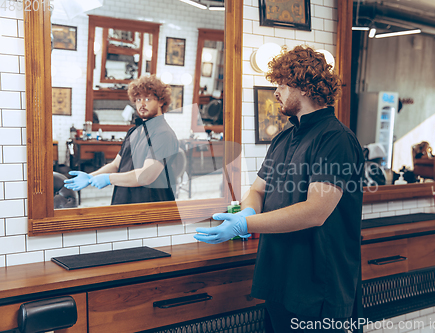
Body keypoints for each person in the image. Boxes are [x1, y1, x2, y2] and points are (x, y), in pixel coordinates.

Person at [194, 45, 364, 332]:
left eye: (283, 85)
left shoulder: (336, 139)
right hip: (279, 276)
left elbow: (315, 212)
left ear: (306, 88)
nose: (276, 93)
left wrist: (245, 223)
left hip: (318, 284)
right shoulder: (283, 138)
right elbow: (259, 189)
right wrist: (248, 209)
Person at [64, 75, 179, 205]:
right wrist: (91, 177)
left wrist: (109, 179)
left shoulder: (163, 134)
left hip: (149, 207)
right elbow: (116, 165)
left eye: (147, 99)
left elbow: (146, 176)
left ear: (161, 101)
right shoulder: (134, 132)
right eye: (138, 99)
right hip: (123, 202)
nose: (142, 104)